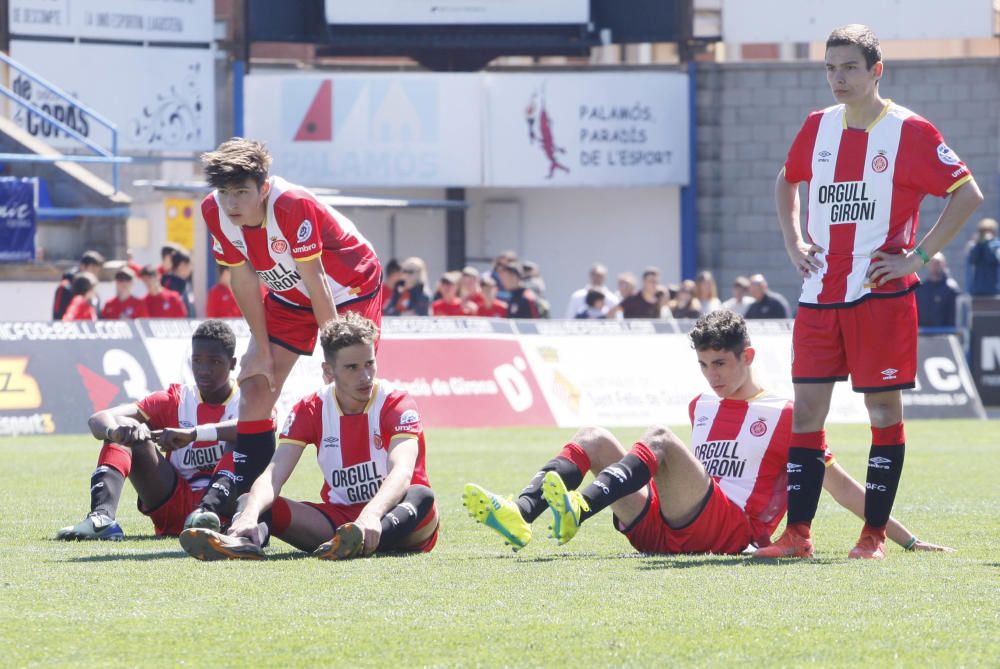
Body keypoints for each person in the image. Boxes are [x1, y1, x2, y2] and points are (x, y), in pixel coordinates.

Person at [463, 311, 951, 556]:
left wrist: (906, 539)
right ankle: (522, 511)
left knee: (659, 438)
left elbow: (842, 486)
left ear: (748, 356)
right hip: (667, 528)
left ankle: (581, 508)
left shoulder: (786, 414)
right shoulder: (702, 405)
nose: (712, 375)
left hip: (731, 529)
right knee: (593, 435)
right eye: (703, 364)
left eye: (721, 363)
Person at [761, 24, 982, 560]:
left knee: (882, 413)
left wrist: (917, 256)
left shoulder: (910, 130)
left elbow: (967, 194)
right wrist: (794, 242)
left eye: (849, 68)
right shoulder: (817, 127)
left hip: (879, 295)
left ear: (875, 71)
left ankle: (873, 536)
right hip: (819, 294)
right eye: (830, 68)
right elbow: (786, 179)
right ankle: (799, 536)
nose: (838, 78)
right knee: (807, 413)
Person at [194, 137, 383, 532]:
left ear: (263, 188)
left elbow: (318, 283)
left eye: (242, 192)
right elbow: (243, 279)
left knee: (350, 385)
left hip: (349, 286)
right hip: (289, 295)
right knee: (256, 386)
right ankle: (240, 505)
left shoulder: (291, 205)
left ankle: (368, 503)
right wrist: (259, 349)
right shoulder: (213, 211)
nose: (232, 204)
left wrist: (332, 358)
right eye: (225, 193)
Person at [179, 314, 439, 561]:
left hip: (401, 517)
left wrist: (371, 515)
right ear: (329, 370)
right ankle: (246, 541)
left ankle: (357, 540)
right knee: (251, 499)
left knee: (422, 495)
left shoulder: (396, 403)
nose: (365, 376)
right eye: (352, 367)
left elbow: (402, 473)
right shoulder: (311, 409)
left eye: (370, 364)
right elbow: (273, 475)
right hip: (339, 523)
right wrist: (249, 514)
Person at [55, 320, 240, 540]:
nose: (203, 370)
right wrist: (116, 433)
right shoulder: (176, 399)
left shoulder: (249, 400)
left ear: (233, 363)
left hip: (223, 510)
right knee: (126, 427)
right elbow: (99, 419)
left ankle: (209, 514)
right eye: (197, 361)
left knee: (245, 440)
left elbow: (257, 426)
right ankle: (101, 518)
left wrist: (193, 434)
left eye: (215, 362)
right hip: (171, 500)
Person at [52, 250, 104, 320]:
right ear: (83, 267)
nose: (94, 274)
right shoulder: (65, 287)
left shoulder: (93, 292)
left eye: (97, 271)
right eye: (93, 270)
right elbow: (58, 315)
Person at [915, 253, 960, 327]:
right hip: (923, 335)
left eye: (937, 263)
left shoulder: (951, 289)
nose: (934, 266)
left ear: (943, 265)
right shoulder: (920, 289)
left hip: (945, 334)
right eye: (931, 263)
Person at [965, 217, 1000, 296]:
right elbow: (972, 260)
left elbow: (991, 259)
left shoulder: (996, 245)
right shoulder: (976, 244)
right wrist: (978, 244)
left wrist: (986, 243)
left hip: (993, 289)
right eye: (982, 231)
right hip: (977, 289)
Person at [161, 248, 195, 317]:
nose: (191, 269)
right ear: (182, 265)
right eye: (189, 265)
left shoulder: (184, 282)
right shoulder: (169, 282)